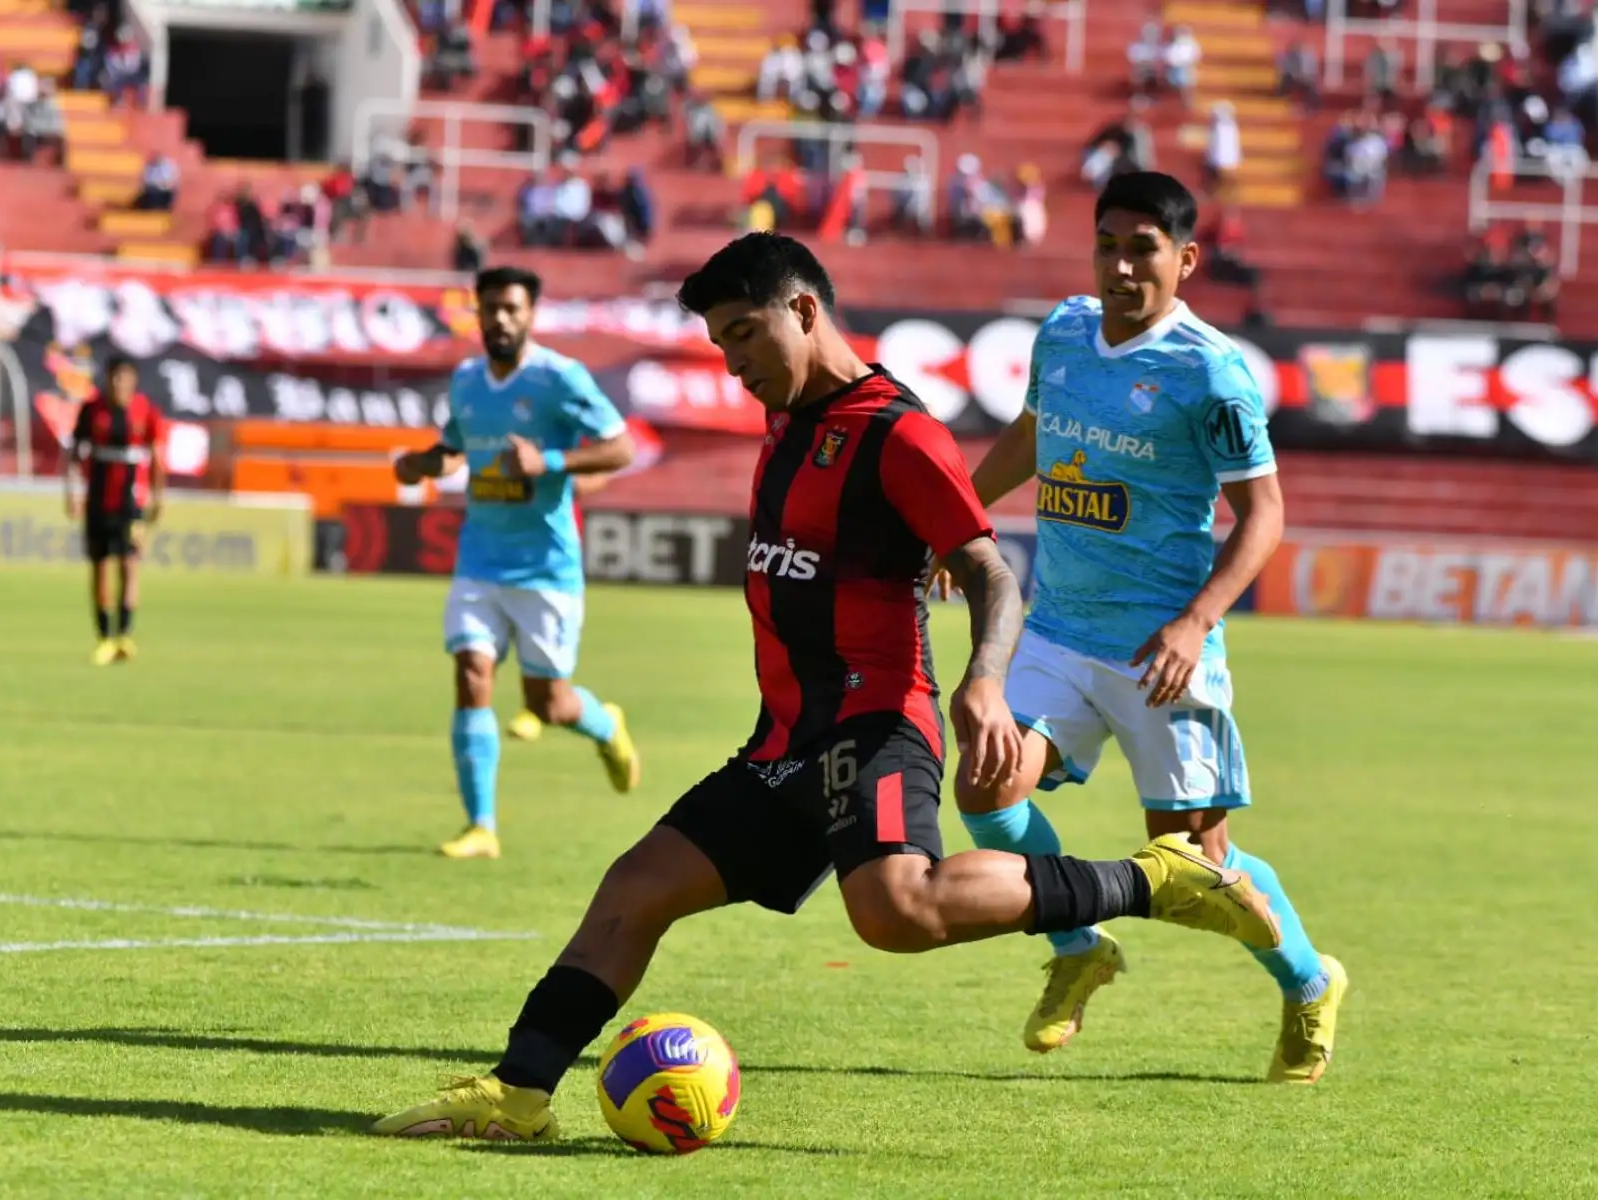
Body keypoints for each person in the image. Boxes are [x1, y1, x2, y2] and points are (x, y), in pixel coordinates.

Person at [371, 232, 1284, 1142]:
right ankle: (519, 1092)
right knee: (635, 886)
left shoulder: (900, 434)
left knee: (896, 910)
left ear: (804, 311)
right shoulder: (789, 416)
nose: (734, 364)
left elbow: (991, 572)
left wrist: (984, 680)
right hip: (785, 738)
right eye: (721, 345)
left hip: (875, 722)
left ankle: (1154, 880)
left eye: (744, 335)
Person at [937, 172, 1347, 1083]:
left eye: (1143, 250)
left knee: (1194, 863)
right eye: (1107, 246)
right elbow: (1032, 435)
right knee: (986, 790)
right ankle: (1079, 946)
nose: (1121, 267)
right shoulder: (1063, 332)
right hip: (1058, 630)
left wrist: (1196, 623)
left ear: (1186, 259)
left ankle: (1310, 983)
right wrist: (954, 520)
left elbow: (1266, 514)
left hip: (1161, 647)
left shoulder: (1211, 372)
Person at [391, 265, 642, 861]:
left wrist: (548, 461)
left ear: (531, 314)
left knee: (548, 704)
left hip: (545, 567)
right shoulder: (466, 380)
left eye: (512, 309)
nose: (501, 319)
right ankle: (481, 826)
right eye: (491, 309)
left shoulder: (560, 378)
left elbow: (621, 447)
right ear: (476, 313)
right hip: (480, 558)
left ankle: (606, 724)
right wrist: (423, 465)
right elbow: (454, 450)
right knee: (471, 674)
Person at [64, 355, 164, 666]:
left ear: (134, 381)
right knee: (100, 565)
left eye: (125, 378)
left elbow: (157, 455)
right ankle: (104, 636)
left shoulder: (145, 410)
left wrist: (158, 496)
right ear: (107, 380)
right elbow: (75, 453)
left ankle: (124, 635)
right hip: (98, 499)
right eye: (115, 378)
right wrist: (72, 492)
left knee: (130, 563)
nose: (120, 384)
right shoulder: (92, 410)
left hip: (132, 501)